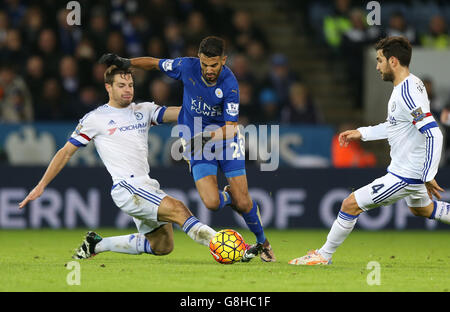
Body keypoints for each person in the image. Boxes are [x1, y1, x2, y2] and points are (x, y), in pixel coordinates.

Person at [99, 36, 276, 262]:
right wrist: (126, 62)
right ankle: (228, 197)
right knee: (212, 203)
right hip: (196, 141)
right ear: (199, 59)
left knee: (244, 201)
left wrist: (206, 136)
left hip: (224, 139)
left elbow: (232, 129)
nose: (208, 70)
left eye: (214, 65)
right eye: (204, 64)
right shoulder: (186, 66)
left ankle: (263, 242)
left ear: (224, 60)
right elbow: (154, 63)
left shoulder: (230, 84)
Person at [18, 65, 217, 259]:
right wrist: (41, 185)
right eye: (121, 85)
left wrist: (207, 108)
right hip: (127, 187)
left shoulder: (144, 110)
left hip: (146, 184)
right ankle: (224, 245)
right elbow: (65, 153)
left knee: (162, 246)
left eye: (130, 84)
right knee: (178, 209)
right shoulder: (95, 118)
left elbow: (182, 113)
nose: (128, 89)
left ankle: (97, 244)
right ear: (108, 87)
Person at [289, 36, 450, 266]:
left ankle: (323, 255)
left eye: (379, 60)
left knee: (350, 204)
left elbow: (434, 132)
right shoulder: (412, 84)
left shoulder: (407, 93)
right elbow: (396, 126)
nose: (377, 66)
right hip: (409, 170)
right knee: (423, 209)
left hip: (406, 174)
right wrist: (362, 133)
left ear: (393, 61)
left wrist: (428, 174)